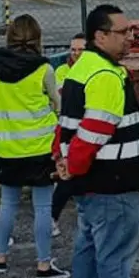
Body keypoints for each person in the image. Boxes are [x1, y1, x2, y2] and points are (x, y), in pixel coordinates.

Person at [56, 4, 139, 278]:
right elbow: (93, 134)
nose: (130, 38)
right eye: (123, 32)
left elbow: (67, 126)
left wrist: (68, 167)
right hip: (113, 181)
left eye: (131, 31)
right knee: (114, 254)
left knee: (89, 247)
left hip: (93, 182)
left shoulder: (82, 68)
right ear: (100, 36)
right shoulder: (105, 76)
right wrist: (75, 166)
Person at [0, 14, 68, 278]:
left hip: (8, 146)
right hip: (41, 147)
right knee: (42, 207)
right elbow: (56, 103)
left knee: (7, 204)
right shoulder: (44, 69)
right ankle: (43, 264)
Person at [51, 33, 87, 233]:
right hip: (68, 128)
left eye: (80, 49)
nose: (76, 53)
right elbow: (61, 96)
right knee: (68, 176)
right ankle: (52, 217)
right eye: (73, 49)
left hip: (86, 128)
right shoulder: (62, 70)